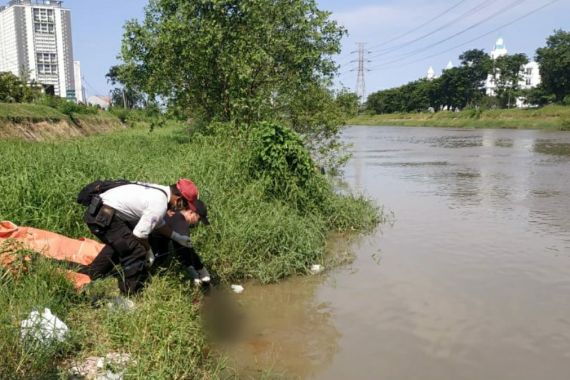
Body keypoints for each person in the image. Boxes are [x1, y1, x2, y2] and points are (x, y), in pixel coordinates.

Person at [80, 178, 201, 295]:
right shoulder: (159, 204)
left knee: (120, 245)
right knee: (135, 250)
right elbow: (139, 234)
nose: (182, 208)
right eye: (185, 204)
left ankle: (89, 274)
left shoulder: (160, 191)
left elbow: (158, 224)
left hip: (101, 212)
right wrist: (148, 251)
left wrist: (177, 237)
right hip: (103, 217)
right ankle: (130, 293)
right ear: (179, 199)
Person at [149, 198, 211, 285]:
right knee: (161, 256)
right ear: (191, 212)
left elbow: (179, 245)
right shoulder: (181, 221)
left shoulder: (173, 211)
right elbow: (184, 248)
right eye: (199, 219)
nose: (197, 223)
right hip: (145, 242)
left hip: (145, 235)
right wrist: (198, 269)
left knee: (164, 252)